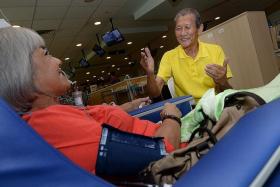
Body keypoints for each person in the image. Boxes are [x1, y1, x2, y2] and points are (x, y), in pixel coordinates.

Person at [0, 26, 182, 174]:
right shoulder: (55, 124)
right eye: (46, 54)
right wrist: (172, 117)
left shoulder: (53, 114)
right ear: (24, 73)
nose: (58, 61)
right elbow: (162, 154)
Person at [140, 8, 233, 102]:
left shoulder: (215, 50)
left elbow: (228, 91)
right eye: (178, 28)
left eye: (187, 27)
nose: (183, 33)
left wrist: (222, 81)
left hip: (215, 104)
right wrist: (150, 73)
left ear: (199, 29)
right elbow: (154, 94)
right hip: (188, 110)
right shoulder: (169, 56)